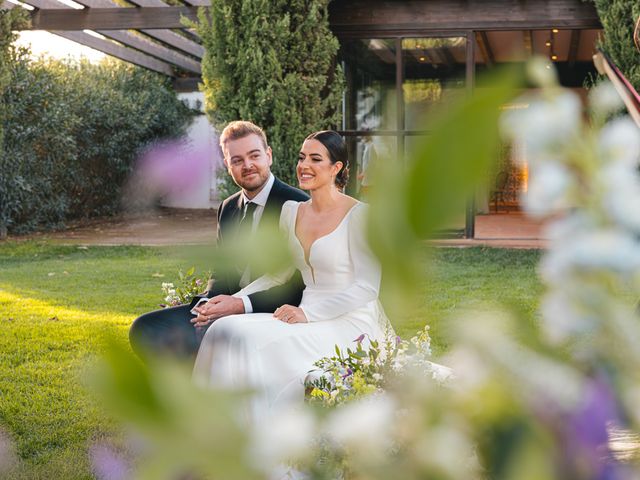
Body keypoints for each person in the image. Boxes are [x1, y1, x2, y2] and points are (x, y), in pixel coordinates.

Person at [193, 130, 391, 421]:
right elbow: (277, 275)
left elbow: (367, 288)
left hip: (349, 323)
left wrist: (307, 314)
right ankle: (210, 434)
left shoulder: (362, 215)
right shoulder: (291, 212)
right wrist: (231, 299)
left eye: (315, 158)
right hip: (301, 314)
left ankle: (258, 439)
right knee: (224, 329)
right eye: (301, 158)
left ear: (336, 168)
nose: (304, 165)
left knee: (248, 339)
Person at [129, 121, 308, 359]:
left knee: (214, 338)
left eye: (254, 155)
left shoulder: (298, 205)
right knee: (145, 328)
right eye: (237, 160)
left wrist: (239, 305)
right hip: (225, 308)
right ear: (227, 165)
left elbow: (299, 284)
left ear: (268, 155)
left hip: (267, 312)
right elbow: (221, 273)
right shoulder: (228, 207)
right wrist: (208, 305)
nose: (247, 165)